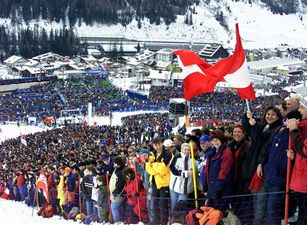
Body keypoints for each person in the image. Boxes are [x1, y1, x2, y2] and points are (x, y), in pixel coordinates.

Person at [242, 106, 283, 225]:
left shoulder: (275, 129)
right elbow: (249, 129)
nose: (269, 116)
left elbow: (259, 140)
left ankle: (258, 222)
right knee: (255, 196)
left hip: (263, 167)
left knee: (260, 198)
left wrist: (254, 125)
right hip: (255, 165)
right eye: (268, 114)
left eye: (273, 115)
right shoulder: (265, 126)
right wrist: (247, 117)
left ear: (278, 117)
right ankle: (257, 220)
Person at [286, 97, 307, 225]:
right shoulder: (303, 127)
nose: (299, 110)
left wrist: (293, 130)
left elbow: (305, 151)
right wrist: (295, 157)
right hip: (301, 178)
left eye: (302, 107)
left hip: (304, 180)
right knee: (302, 212)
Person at [227, 124, 252, 224]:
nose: (236, 134)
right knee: (234, 204)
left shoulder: (248, 146)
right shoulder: (230, 145)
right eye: (235, 132)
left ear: (244, 133)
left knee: (243, 204)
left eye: (239, 132)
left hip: (243, 181)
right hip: (232, 180)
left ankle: (244, 221)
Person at [204, 130, 233, 212]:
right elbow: (207, 168)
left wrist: (218, 189)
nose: (215, 142)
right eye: (213, 140)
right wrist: (205, 183)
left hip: (221, 190)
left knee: (218, 213)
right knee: (211, 212)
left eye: (217, 140)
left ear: (221, 140)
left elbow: (224, 172)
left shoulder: (226, 152)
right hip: (212, 187)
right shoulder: (213, 151)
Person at [146, 137, 172, 225]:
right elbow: (148, 169)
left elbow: (163, 169)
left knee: (163, 205)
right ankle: (156, 222)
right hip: (154, 182)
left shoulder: (168, 153)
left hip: (164, 183)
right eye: (155, 145)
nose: (157, 147)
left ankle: (163, 222)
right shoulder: (151, 154)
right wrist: (156, 167)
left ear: (162, 144)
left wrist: (153, 165)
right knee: (155, 205)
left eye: (159, 144)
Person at [169, 143, 198, 212]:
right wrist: (185, 173)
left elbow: (197, 169)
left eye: (188, 150)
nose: (187, 151)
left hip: (186, 188)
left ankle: (180, 220)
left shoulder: (193, 160)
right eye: (185, 149)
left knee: (181, 206)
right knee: (174, 205)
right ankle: (173, 220)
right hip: (175, 187)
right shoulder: (176, 158)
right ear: (181, 150)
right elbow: (172, 169)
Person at [109, 156, 126, 223]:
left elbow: (121, 184)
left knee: (114, 208)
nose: (114, 165)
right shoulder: (116, 169)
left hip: (117, 195)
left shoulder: (122, 171)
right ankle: (119, 222)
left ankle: (117, 222)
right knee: (119, 209)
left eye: (115, 163)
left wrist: (115, 194)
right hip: (114, 195)